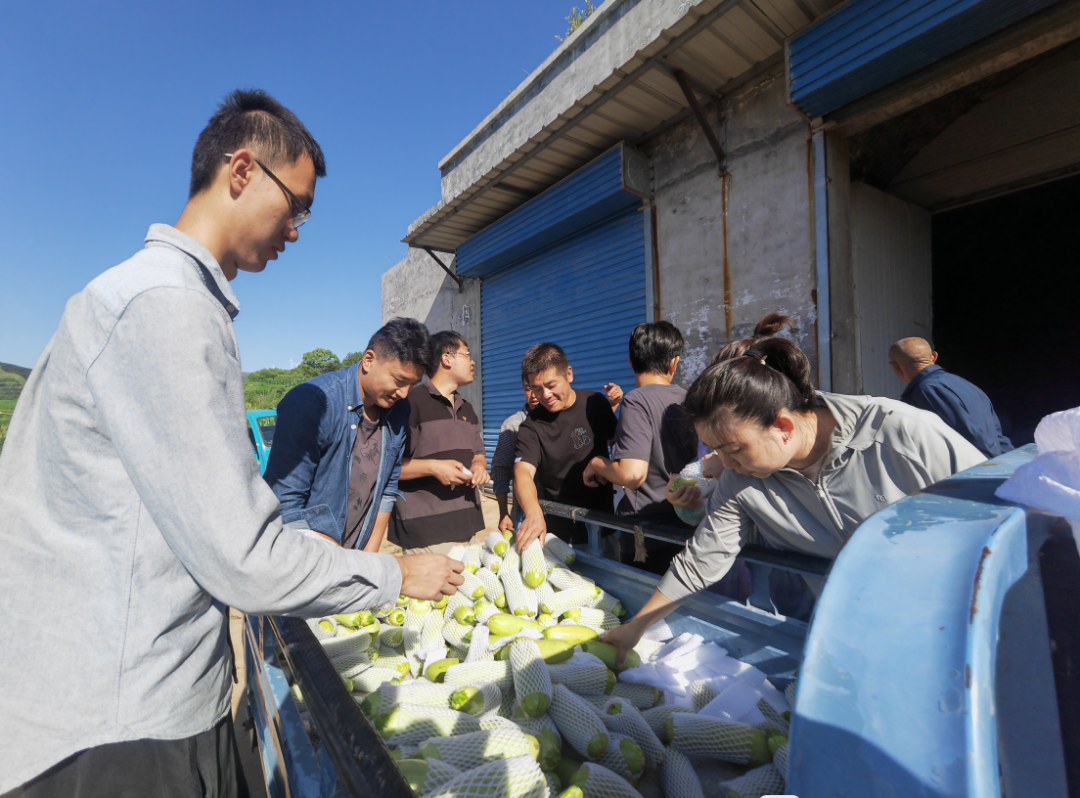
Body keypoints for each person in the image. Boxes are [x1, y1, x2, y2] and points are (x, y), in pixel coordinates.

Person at [0, 90, 464, 797]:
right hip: (121, 726)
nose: (297, 231)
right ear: (241, 170)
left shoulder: (158, 300)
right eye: (297, 206)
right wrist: (396, 578)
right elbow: (245, 554)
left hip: (146, 697)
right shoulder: (163, 307)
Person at [603, 334, 986, 664]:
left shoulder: (901, 432)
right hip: (855, 638)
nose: (725, 463)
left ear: (783, 426)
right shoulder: (739, 480)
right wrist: (636, 627)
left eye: (734, 449)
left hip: (960, 628)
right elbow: (702, 559)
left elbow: (995, 513)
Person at [263, 318, 431, 552]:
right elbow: (285, 507)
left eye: (412, 384)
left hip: (354, 558)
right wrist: (340, 564)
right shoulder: (313, 404)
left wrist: (367, 560)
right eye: (399, 380)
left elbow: (387, 487)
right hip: (305, 559)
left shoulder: (399, 410)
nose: (404, 393)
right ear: (369, 360)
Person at [581, 321, 698, 563]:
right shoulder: (690, 400)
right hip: (689, 527)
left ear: (631, 362)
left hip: (647, 534)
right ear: (674, 363)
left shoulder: (636, 401)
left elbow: (632, 475)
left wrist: (597, 463)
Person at [388, 331, 491, 553]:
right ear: (447, 359)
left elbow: (478, 453)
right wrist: (434, 468)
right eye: (467, 354)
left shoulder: (467, 408)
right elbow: (386, 467)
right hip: (425, 535)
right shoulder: (410, 404)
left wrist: (479, 466)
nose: (473, 362)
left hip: (467, 526)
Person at [514, 343, 620, 558]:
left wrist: (604, 467)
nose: (545, 395)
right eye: (536, 388)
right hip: (560, 537)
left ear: (568, 374)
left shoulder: (596, 403)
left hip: (604, 528)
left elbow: (615, 442)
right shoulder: (531, 426)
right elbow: (523, 473)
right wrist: (533, 513)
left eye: (551, 385)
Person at [889, 337, 1013, 457]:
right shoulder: (965, 385)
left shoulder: (927, 391)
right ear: (934, 357)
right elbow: (996, 436)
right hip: (997, 465)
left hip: (972, 472)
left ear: (895, 366)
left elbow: (964, 439)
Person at [491, 380, 541, 532]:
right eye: (528, 389)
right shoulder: (513, 425)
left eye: (536, 388)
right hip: (523, 516)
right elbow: (500, 469)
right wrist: (503, 513)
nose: (533, 395)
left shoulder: (560, 420)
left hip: (562, 514)